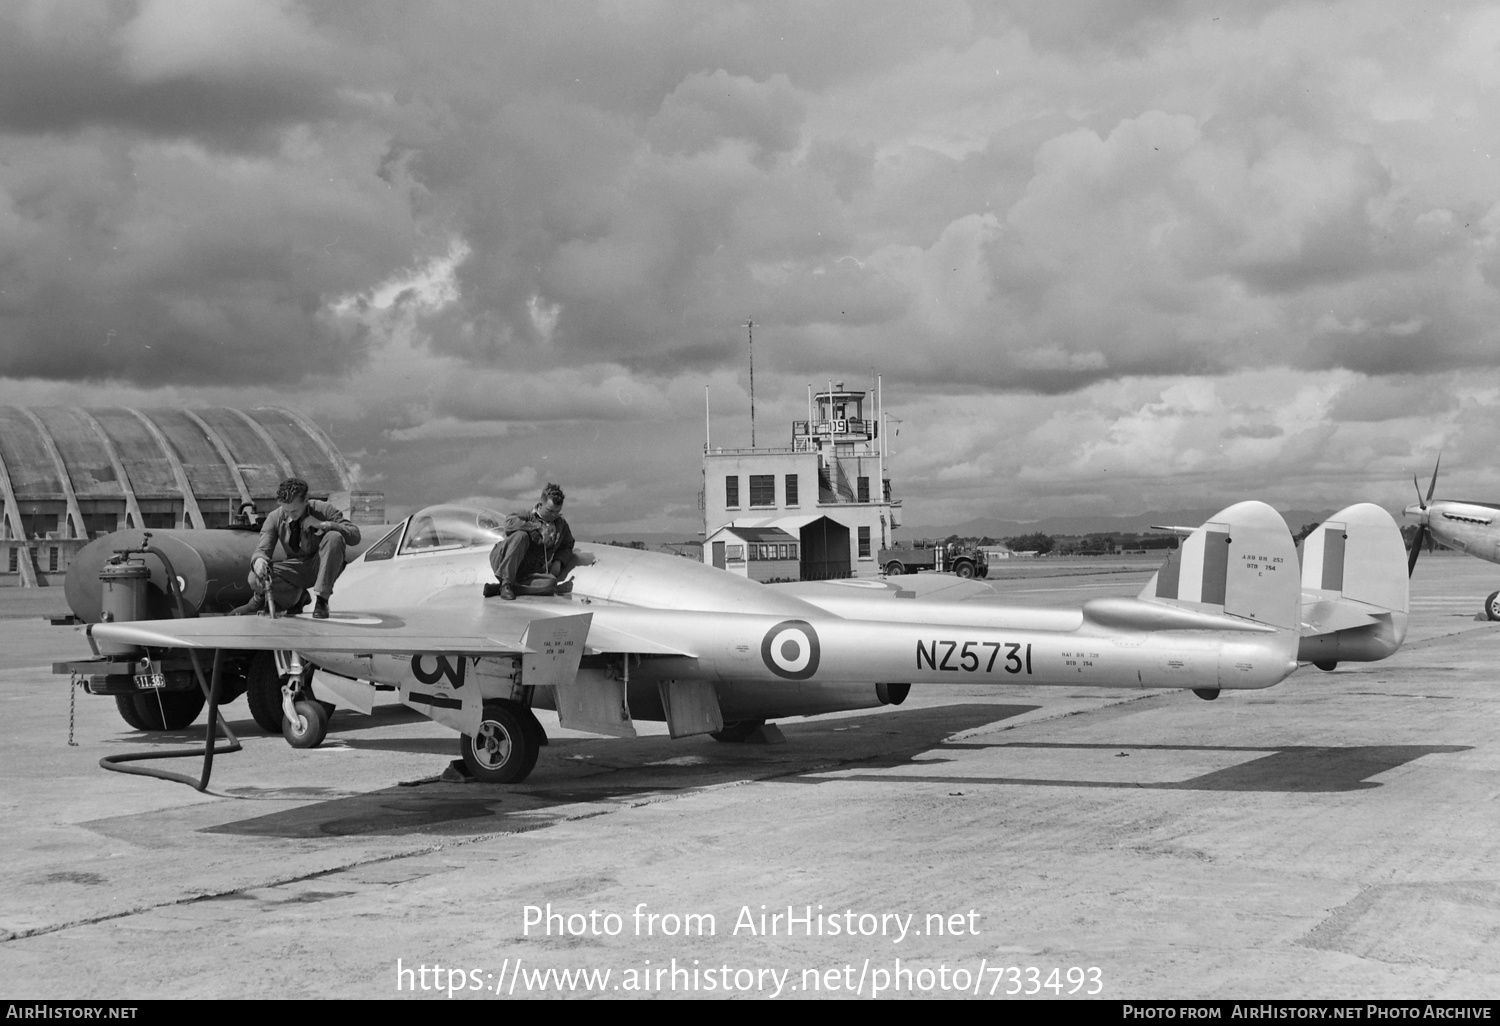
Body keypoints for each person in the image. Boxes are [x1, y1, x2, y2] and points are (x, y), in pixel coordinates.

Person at [232, 478, 362, 618]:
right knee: (254, 578)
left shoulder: (323, 509)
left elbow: (355, 535)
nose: (290, 515)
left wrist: (325, 525)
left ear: (305, 500)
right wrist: (259, 561)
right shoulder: (274, 517)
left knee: (334, 537)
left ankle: (322, 601)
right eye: (286, 511)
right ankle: (292, 598)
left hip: (320, 564)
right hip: (295, 568)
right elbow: (263, 549)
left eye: (294, 511)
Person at [488, 482, 575, 600]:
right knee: (521, 536)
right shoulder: (526, 515)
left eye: (557, 511)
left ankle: (503, 588)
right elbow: (509, 524)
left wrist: (559, 561)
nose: (554, 515)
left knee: (551, 584)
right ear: (540, 504)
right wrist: (536, 527)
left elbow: (567, 545)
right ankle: (506, 582)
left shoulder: (561, 525)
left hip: (528, 571)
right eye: (550, 511)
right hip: (505, 560)